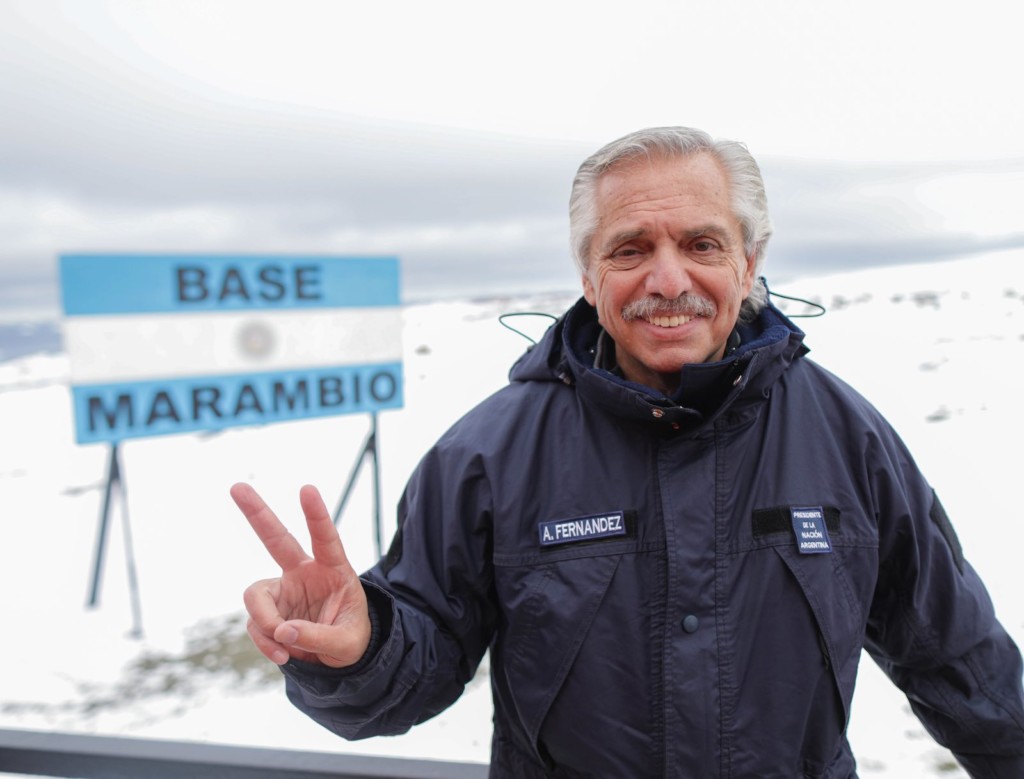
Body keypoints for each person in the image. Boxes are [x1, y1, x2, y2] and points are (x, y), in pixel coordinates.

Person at [233, 127, 1024, 777]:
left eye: (703, 243)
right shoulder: (487, 456)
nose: (668, 277)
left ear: (749, 262)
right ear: (587, 273)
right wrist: (357, 650)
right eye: (630, 248)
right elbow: (418, 663)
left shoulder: (851, 442)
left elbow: (964, 665)